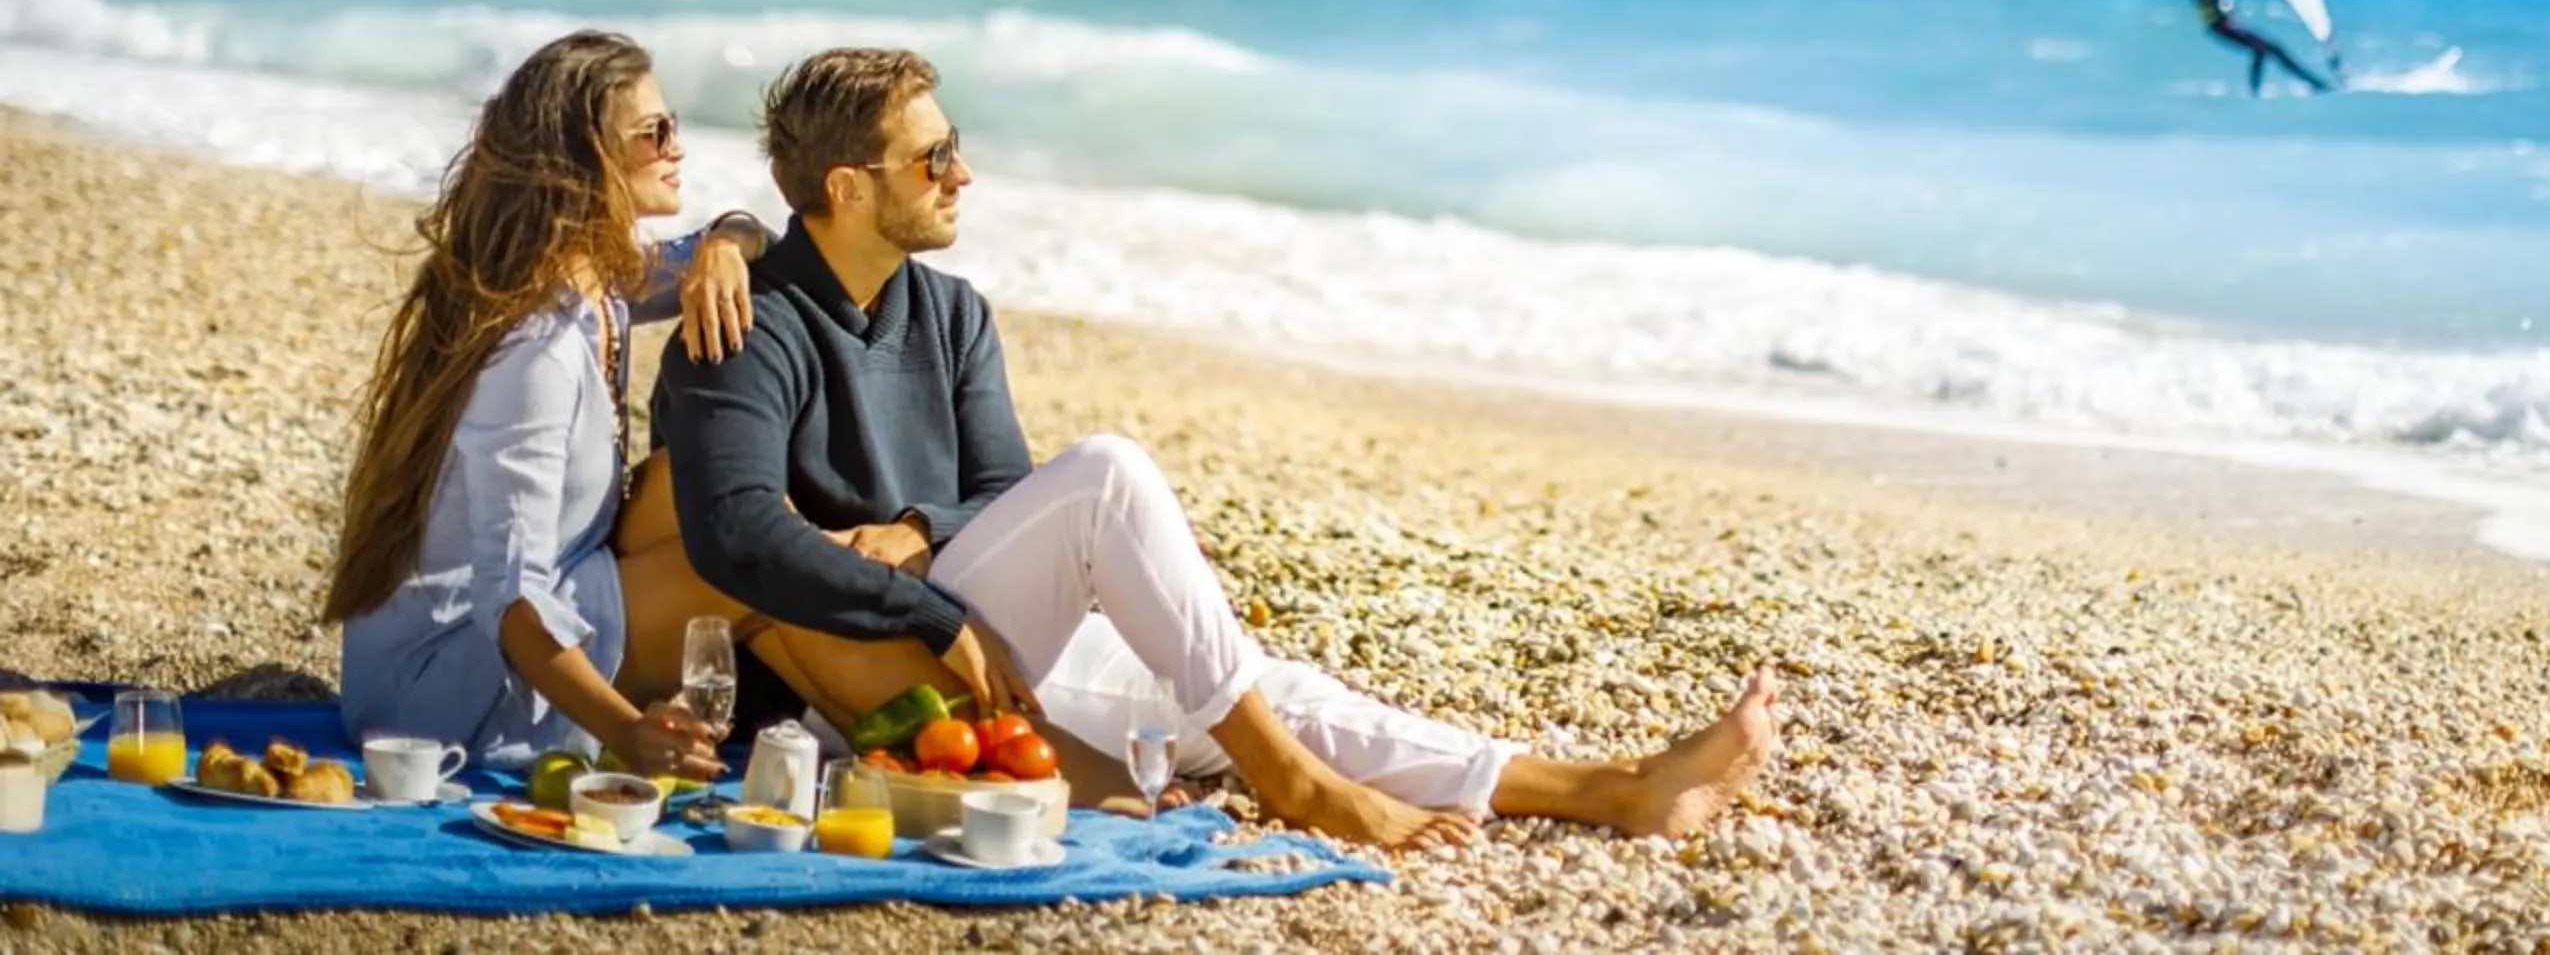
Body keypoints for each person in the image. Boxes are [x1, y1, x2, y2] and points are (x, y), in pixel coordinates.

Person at [653, 47, 1780, 849]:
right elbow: (736, 534)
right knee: (1111, 474)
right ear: (848, 187)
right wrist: (932, 611)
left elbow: (999, 493)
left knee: (1246, 685)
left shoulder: (953, 313)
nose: (964, 173)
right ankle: (1296, 784)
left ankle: (1611, 787)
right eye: (935, 155)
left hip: (967, 628)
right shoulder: (742, 320)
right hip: (846, 689)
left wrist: (916, 533)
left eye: (958, 146)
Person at [326, 30, 926, 776]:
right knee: (743, 560)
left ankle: (889, 734)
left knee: (703, 486)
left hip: (546, 599)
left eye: (675, 124)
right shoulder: (536, 351)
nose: (679, 147)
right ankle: (931, 753)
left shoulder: (592, 283)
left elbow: (741, 243)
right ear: (589, 158)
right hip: (451, 689)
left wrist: (724, 244)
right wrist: (627, 730)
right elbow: (511, 597)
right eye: (655, 133)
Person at [2189, 0, 2329, 96]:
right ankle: (2310, 83)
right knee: (2267, 48)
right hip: (2220, 26)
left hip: (2229, 24)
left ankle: (2258, 90)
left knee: (2264, 49)